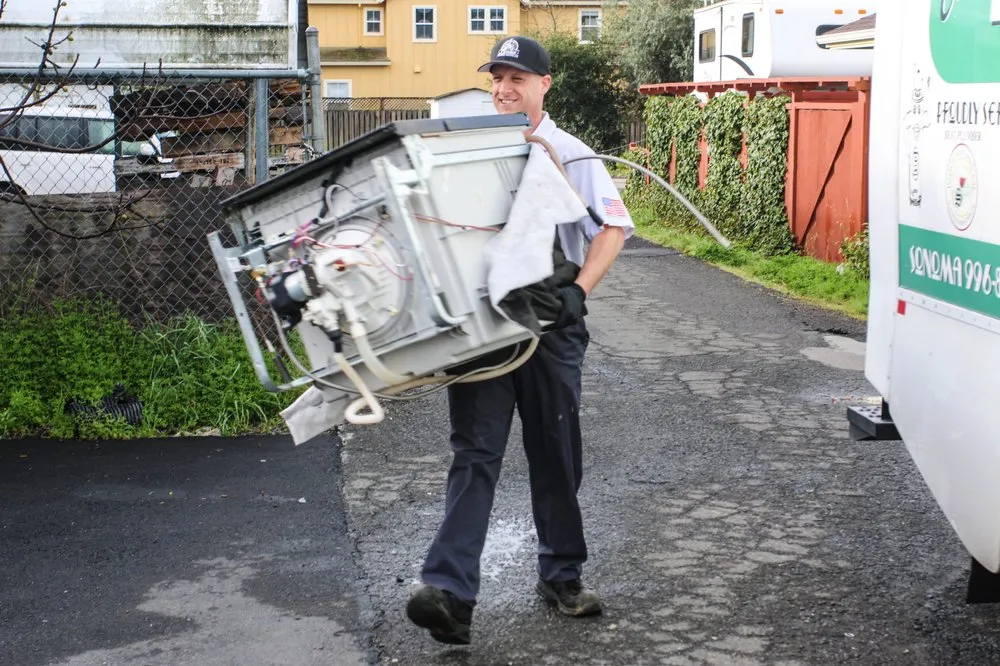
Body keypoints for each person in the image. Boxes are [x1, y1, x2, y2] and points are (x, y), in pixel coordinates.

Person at [405, 35, 635, 646]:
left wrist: (579, 291)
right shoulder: (473, 151)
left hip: (550, 328)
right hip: (485, 329)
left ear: (543, 85)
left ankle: (562, 575)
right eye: (497, 79)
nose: (504, 89)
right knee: (474, 453)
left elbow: (614, 227)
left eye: (517, 78)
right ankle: (450, 593)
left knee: (555, 452)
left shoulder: (570, 152)